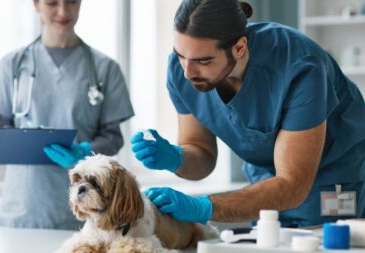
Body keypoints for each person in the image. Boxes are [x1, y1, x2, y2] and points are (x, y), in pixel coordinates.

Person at [131, 0, 365, 228]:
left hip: (334, 180)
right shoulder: (181, 69)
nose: (187, 73)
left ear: (240, 47)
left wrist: (204, 207)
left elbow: (291, 185)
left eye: (203, 60)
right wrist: (176, 158)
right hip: (265, 183)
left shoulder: (300, 66)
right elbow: (201, 153)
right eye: (181, 55)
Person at [0, 0, 134, 229]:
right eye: (52, 3)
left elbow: (113, 138)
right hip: (24, 211)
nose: (63, 11)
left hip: (85, 213)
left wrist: (84, 152)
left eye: (71, 2)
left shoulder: (105, 68)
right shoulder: (12, 65)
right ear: (36, 4)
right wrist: (25, 141)